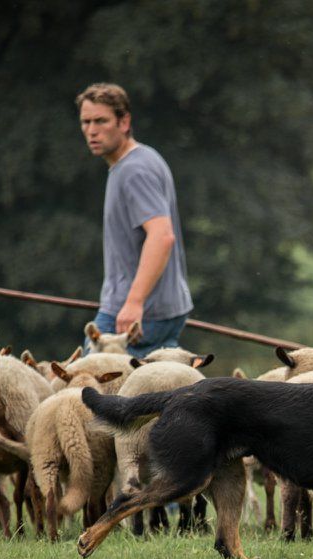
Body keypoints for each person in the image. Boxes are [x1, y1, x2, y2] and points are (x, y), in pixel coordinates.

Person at [76, 83, 193, 358]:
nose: (92, 130)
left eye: (101, 121)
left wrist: (133, 303)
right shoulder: (143, 159)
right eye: (86, 122)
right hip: (162, 310)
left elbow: (162, 236)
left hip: (134, 316)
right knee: (151, 397)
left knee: (87, 389)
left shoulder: (134, 170)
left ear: (124, 121)